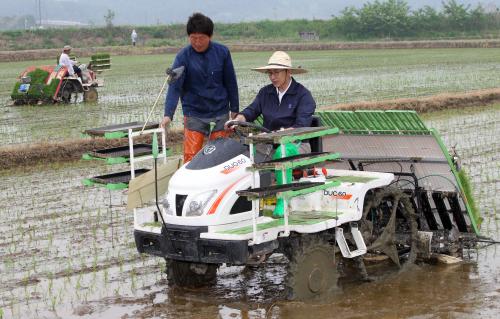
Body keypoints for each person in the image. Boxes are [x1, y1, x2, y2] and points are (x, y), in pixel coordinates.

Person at [161, 12, 239, 163]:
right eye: (193, 38)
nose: (197, 42)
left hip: (219, 110)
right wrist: (167, 114)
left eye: (201, 38)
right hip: (194, 111)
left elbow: (230, 81)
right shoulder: (183, 56)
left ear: (210, 36)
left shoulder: (222, 52)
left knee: (220, 155)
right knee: (191, 157)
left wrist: (234, 108)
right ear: (189, 37)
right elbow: (174, 87)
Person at [230, 51, 316, 149]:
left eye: (276, 72)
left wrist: (276, 134)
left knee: (281, 154)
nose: (272, 77)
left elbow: (301, 126)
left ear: (288, 72)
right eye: (270, 73)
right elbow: (251, 111)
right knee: (244, 155)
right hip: (268, 142)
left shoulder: (303, 95)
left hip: (295, 144)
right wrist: (237, 120)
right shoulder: (265, 92)